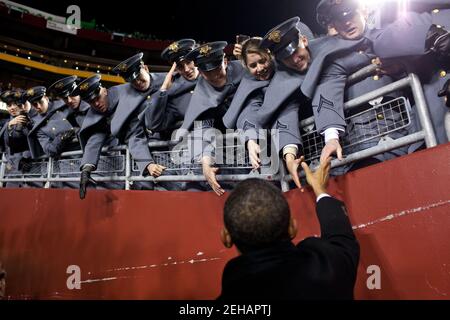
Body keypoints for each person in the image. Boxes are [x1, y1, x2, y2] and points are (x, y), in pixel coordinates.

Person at [218, 157, 359, 300]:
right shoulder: (329, 267)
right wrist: (319, 189)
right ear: (292, 228)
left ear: (226, 237)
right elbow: (341, 236)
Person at [176, 41, 246, 195]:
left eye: (217, 68)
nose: (214, 75)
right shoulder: (201, 92)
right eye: (208, 72)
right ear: (200, 72)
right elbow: (203, 127)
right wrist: (206, 160)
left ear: (225, 62)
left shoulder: (244, 68)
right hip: (230, 151)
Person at [142, 39, 199, 133]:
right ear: (175, 69)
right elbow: (153, 124)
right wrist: (163, 90)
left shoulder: (213, 76)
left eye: (188, 62)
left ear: (195, 60)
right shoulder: (174, 94)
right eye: (180, 66)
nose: (187, 69)